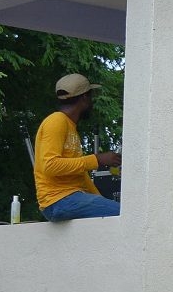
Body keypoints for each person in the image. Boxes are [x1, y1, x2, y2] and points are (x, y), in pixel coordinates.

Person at [36, 73, 121, 221]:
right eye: (91, 97)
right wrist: (97, 159)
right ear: (84, 98)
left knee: (119, 213)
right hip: (58, 200)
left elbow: (80, 174)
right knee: (128, 216)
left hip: (69, 199)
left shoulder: (70, 126)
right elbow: (49, 166)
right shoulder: (56, 121)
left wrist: (100, 199)